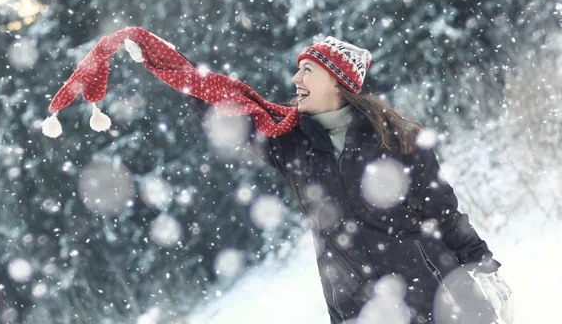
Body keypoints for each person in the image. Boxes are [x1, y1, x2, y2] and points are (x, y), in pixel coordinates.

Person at [42, 28, 514, 324]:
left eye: (307, 70)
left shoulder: (397, 137)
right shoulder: (290, 141)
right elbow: (222, 104)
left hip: (436, 295)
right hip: (360, 308)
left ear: (337, 80)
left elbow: (441, 208)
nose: (296, 81)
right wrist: (156, 57)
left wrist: (479, 261)